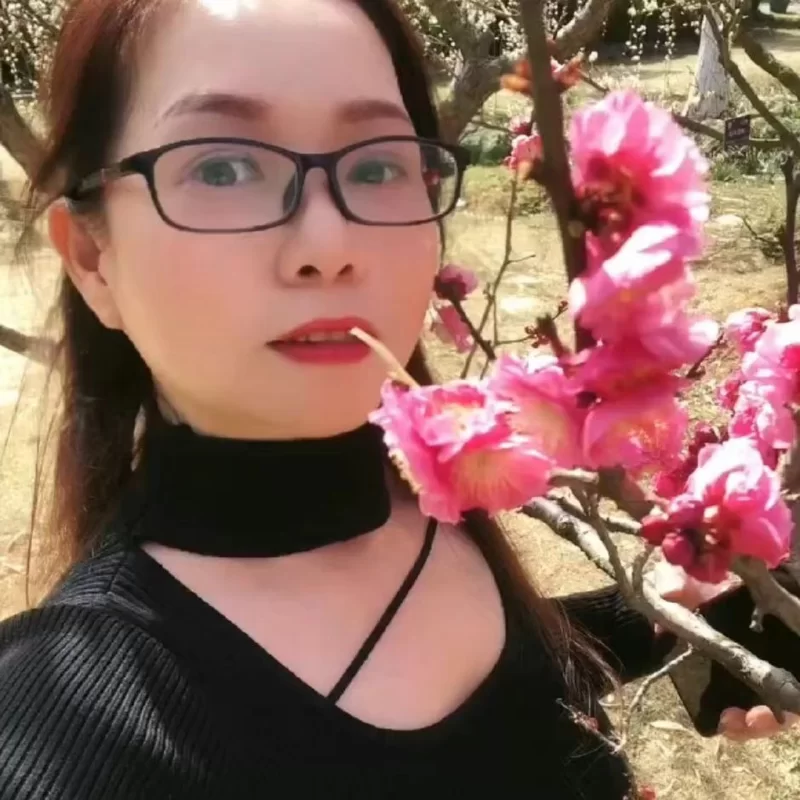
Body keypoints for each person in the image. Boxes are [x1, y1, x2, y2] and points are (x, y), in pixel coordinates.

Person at [0, 0, 794, 798]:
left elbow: (493, 704)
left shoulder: (426, 499)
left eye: (378, 167)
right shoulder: (58, 738)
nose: (330, 245)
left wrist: (671, 617)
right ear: (93, 258)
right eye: (222, 168)